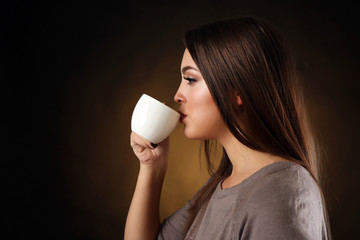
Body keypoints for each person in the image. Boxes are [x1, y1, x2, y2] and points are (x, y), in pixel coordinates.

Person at [124, 17, 331, 240]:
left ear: (237, 92)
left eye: (191, 79)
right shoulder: (220, 187)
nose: (177, 95)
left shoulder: (279, 194)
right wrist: (151, 166)